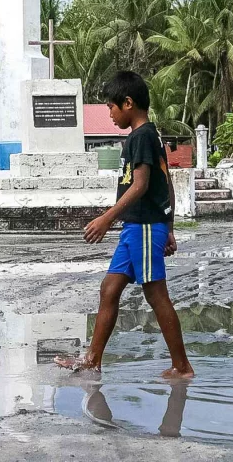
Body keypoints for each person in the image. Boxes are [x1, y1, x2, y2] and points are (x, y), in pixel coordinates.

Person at [55, 71, 194, 379]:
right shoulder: (147, 136)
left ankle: (182, 366)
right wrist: (169, 226)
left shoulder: (142, 136)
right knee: (110, 288)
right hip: (139, 227)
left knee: (156, 294)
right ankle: (92, 358)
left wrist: (107, 217)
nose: (110, 113)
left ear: (128, 103)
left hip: (143, 226)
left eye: (111, 107)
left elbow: (141, 185)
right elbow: (166, 182)